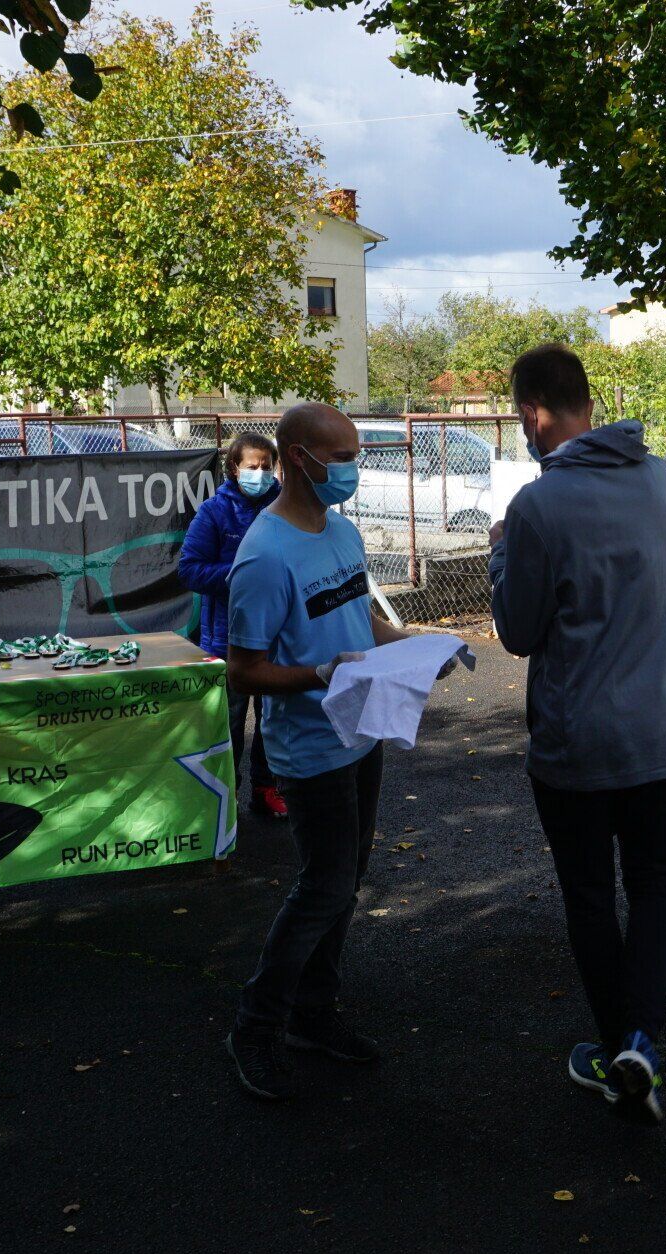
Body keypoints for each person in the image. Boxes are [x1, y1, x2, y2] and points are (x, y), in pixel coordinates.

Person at [488, 343, 666, 1125]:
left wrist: (500, 553)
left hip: (577, 746)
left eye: (521, 419)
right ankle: (642, 1039)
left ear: (534, 413)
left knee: (589, 896)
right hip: (663, 734)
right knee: (654, 889)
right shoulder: (656, 477)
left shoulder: (537, 507)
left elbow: (518, 631)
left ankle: (617, 1050)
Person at [222, 402, 422, 1102]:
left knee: (345, 880)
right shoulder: (264, 555)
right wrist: (318, 674)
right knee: (325, 887)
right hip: (309, 748)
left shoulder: (341, 532)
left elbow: (358, 616)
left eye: (356, 456)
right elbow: (243, 672)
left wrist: (423, 648)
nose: (353, 470)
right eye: (342, 458)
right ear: (299, 459)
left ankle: (312, 1014)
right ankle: (256, 1026)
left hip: (360, 733)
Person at [180, 431, 286, 819]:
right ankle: (225, 799)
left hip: (278, 635)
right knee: (229, 723)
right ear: (234, 468)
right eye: (251, 466)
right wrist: (242, 573)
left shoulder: (286, 507)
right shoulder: (214, 512)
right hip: (228, 637)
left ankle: (266, 789)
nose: (260, 473)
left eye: (266, 466)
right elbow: (190, 569)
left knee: (273, 720)